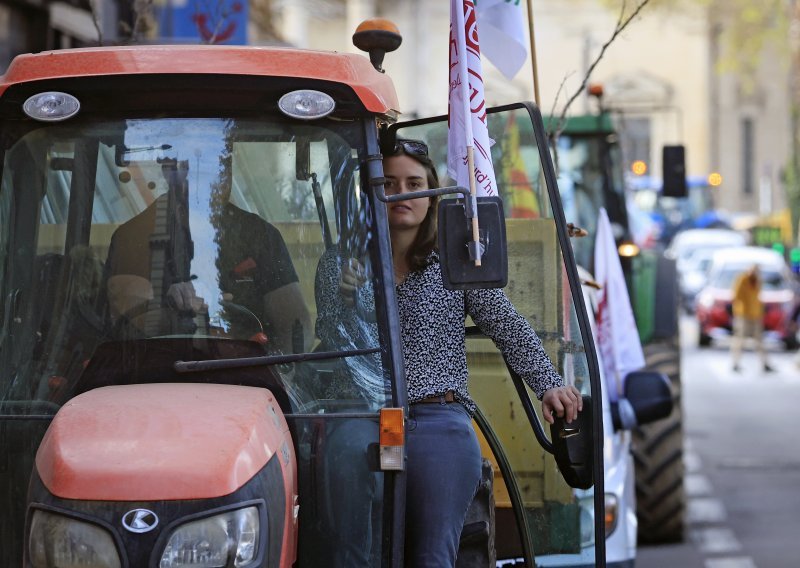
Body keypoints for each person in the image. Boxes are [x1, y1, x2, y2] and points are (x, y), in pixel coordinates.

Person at [315, 138, 583, 567]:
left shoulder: (456, 261)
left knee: (434, 552)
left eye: (414, 183)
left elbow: (505, 323)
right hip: (362, 413)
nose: (402, 193)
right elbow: (330, 340)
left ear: (433, 193)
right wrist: (347, 299)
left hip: (436, 415)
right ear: (371, 192)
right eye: (389, 183)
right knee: (348, 531)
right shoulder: (338, 264)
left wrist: (548, 384)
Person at [105, 158, 312, 355]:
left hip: (247, 376)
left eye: (221, 164)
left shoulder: (259, 236)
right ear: (168, 170)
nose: (212, 176)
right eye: (194, 166)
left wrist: (284, 372)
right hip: (156, 378)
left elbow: (295, 326)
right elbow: (126, 325)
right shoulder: (132, 238)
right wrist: (169, 307)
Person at [730, 264, 774, 373]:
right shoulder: (742, 279)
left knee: (759, 340)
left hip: (755, 314)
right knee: (740, 339)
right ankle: (735, 362)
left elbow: (757, 296)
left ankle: (765, 363)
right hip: (743, 314)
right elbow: (736, 296)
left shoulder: (757, 281)